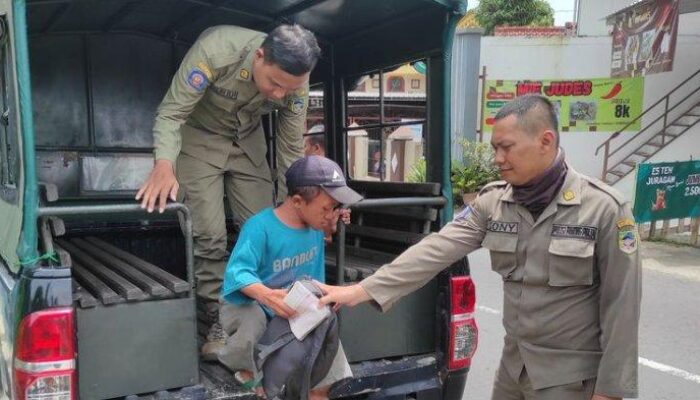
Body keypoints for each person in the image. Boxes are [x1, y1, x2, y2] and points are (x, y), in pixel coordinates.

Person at [318, 95, 642, 400]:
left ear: (546, 141)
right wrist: (360, 290)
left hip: (572, 379)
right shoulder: (494, 202)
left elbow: (622, 308)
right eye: (495, 148)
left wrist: (610, 391)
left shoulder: (603, 210)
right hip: (514, 369)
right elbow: (436, 250)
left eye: (507, 148)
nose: (498, 159)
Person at [134, 24, 321, 355]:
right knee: (209, 235)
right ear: (260, 56)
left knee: (267, 227)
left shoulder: (296, 82)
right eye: (274, 84)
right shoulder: (215, 52)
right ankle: (219, 318)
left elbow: (291, 147)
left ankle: (270, 311)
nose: (280, 95)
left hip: (248, 144)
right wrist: (164, 164)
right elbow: (171, 114)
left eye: (287, 89)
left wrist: (295, 205)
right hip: (199, 142)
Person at [218, 155, 362, 399]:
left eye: (336, 207)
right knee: (250, 318)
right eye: (327, 208)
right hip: (259, 303)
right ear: (297, 201)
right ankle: (249, 371)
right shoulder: (260, 226)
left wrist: (327, 293)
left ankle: (317, 387)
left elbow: (327, 230)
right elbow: (237, 272)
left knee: (326, 345)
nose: (331, 214)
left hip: (297, 306)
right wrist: (266, 295)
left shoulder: (316, 224)